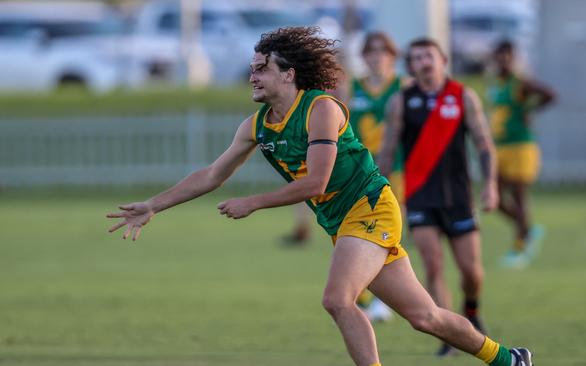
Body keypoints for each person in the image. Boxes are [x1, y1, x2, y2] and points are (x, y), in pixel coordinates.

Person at [108, 27, 533, 366]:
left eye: (261, 69)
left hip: (371, 208)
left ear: (288, 73)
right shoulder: (256, 125)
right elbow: (212, 175)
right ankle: (509, 359)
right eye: (252, 69)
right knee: (426, 317)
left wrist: (253, 202)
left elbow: (317, 183)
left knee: (336, 299)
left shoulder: (320, 109)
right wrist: (153, 205)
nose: (252, 76)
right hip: (343, 223)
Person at [379, 37, 498, 357]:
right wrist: (378, 190)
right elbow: (387, 152)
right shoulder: (401, 101)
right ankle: (450, 335)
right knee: (432, 267)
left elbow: (484, 143)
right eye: (417, 58)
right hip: (419, 197)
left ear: (443, 60)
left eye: (429, 55)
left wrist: (490, 184)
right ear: (411, 66)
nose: (424, 61)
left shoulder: (463, 96)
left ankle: (471, 312)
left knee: (471, 272)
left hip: (459, 197)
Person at [340, 31, 409, 322]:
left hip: (394, 169)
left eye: (383, 51)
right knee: (354, 231)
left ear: (393, 56)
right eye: (371, 51)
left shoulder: (403, 86)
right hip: (359, 172)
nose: (376, 56)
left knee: (386, 234)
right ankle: (368, 297)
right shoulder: (352, 88)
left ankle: (380, 297)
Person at [488, 39, 555, 268]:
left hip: (520, 146)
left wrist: (530, 109)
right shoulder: (497, 83)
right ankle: (527, 228)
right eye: (499, 54)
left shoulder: (521, 82)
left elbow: (550, 94)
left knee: (518, 195)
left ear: (513, 57)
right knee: (494, 197)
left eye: (507, 55)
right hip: (501, 146)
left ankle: (521, 246)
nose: (503, 59)